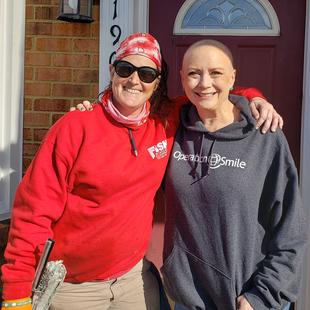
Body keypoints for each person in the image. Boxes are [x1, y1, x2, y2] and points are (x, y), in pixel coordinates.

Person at [1, 33, 281, 310]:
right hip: (74, 287)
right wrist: (16, 294)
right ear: (112, 71)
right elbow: (32, 214)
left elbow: (212, 93)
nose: (135, 80)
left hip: (133, 279)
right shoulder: (75, 128)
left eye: (146, 74)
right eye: (126, 69)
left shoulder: (166, 119)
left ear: (157, 83)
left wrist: (254, 98)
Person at [160, 39, 307, 310]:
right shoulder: (170, 130)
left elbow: (291, 228)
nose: (205, 83)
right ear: (182, 79)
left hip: (252, 299)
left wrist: (262, 296)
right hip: (188, 299)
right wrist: (94, 107)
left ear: (232, 78)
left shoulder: (264, 135)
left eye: (216, 73)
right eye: (194, 73)